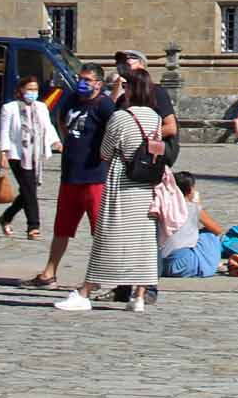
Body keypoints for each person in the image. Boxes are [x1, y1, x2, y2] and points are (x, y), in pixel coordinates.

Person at [53, 67, 166, 312]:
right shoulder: (155, 118)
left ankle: (85, 292)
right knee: (144, 240)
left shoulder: (121, 117)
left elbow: (105, 151)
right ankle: (139, 295)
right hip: (145, 185)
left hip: (122, 183)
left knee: (109, 236)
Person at [28, 63, 112, 289]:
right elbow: (62, 122)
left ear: (98, 83)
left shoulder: (104, 105)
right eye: (80, 78)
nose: (82, 83)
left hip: (95, 177)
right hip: (70, 175)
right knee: (62, 228)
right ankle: (49, 273)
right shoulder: (72, 99)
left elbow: (114, 133)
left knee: (100, 231)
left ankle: (97, 277)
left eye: (87, 79)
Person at [0, 74, 61, 240]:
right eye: (29, 89)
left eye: (35, 89)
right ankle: (33, 226)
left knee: (28, 190)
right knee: (30, 190)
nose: (33, 92)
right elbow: (5, 131)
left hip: (35, 153)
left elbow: (48, 126)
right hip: (17, 154)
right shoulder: (9, 108)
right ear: (21, 90)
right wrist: (3, 152)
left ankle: (6, 217)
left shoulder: (41, 107)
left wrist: (56, 142)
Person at [158, 171, 228, 277]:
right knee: (209, 234)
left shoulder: (161, 206)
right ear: (190, 190)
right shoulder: (193, 207)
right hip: (184, 263)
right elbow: (218, 230)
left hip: (160, 264)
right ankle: (209, 264)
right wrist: (197, 204)